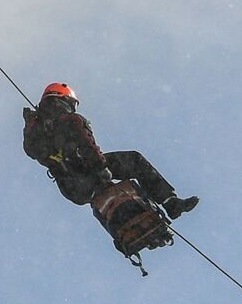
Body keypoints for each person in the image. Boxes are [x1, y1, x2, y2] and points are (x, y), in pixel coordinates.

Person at [22, 83, 199, 219]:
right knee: (134, 160)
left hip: (72, 188)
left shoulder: (36, 129)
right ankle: (170, 203)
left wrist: (29, 125)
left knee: (108, 198)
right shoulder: (70, 120)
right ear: (64, 99)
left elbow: (31, 151)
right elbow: (86, 145)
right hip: (89, 172)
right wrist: (100, 169)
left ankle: (122, 214)